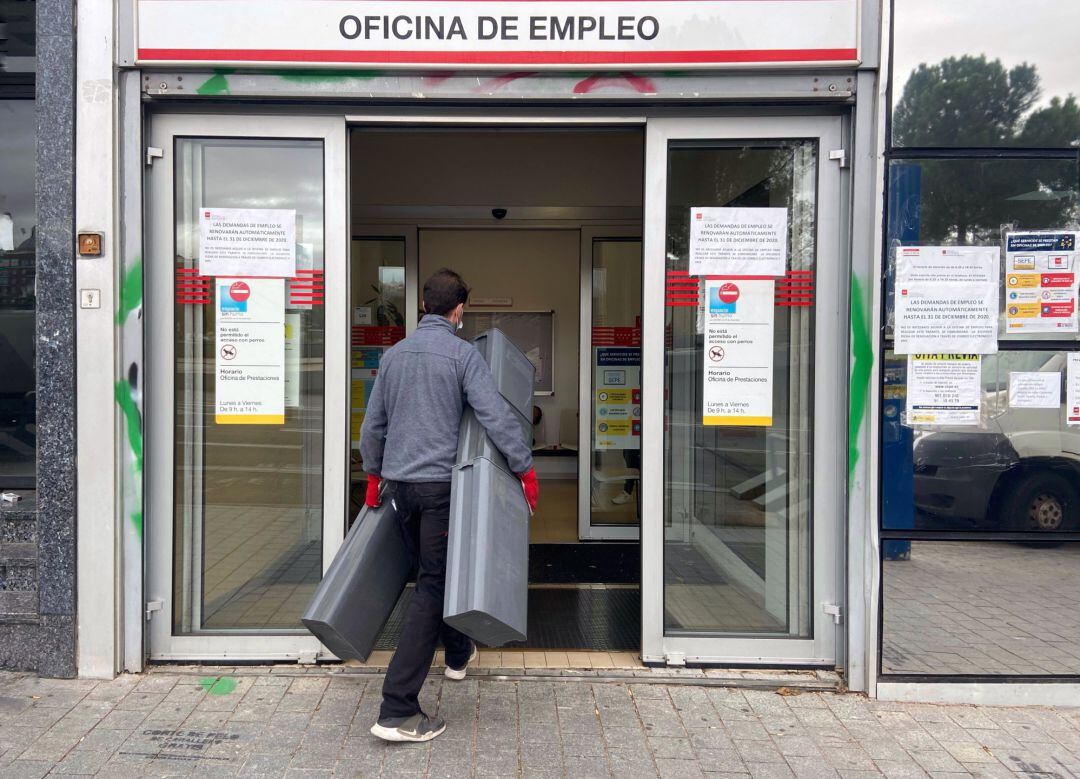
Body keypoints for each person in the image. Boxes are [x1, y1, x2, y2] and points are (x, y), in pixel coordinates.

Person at [359, 268, 539, 743]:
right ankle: (397, 708)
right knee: (433, 587)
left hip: (400, 489)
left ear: (424, 305)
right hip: (440, 489)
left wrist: (373, 474)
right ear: (458, 311)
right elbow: (494, 416)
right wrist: (525, 468)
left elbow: (371, 426)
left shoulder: (394, 357)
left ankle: (457, 653)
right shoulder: (461, 356)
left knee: (431, 574)